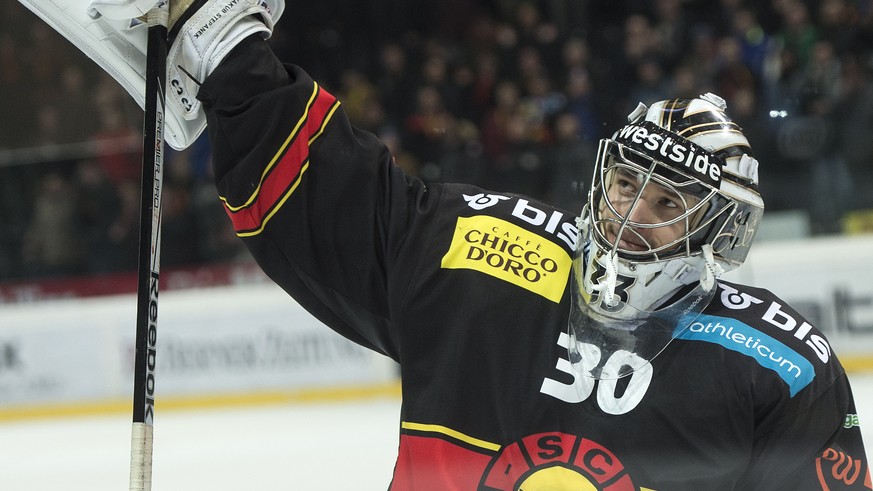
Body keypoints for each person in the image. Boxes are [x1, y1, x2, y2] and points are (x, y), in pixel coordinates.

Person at [24, 0, 871, 488]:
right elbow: (343, 211)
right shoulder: (491, 253)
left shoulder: (780, 366)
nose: (629, 211)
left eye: (665, 201)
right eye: (624, 183)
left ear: (720, 230)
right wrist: (231, 58)